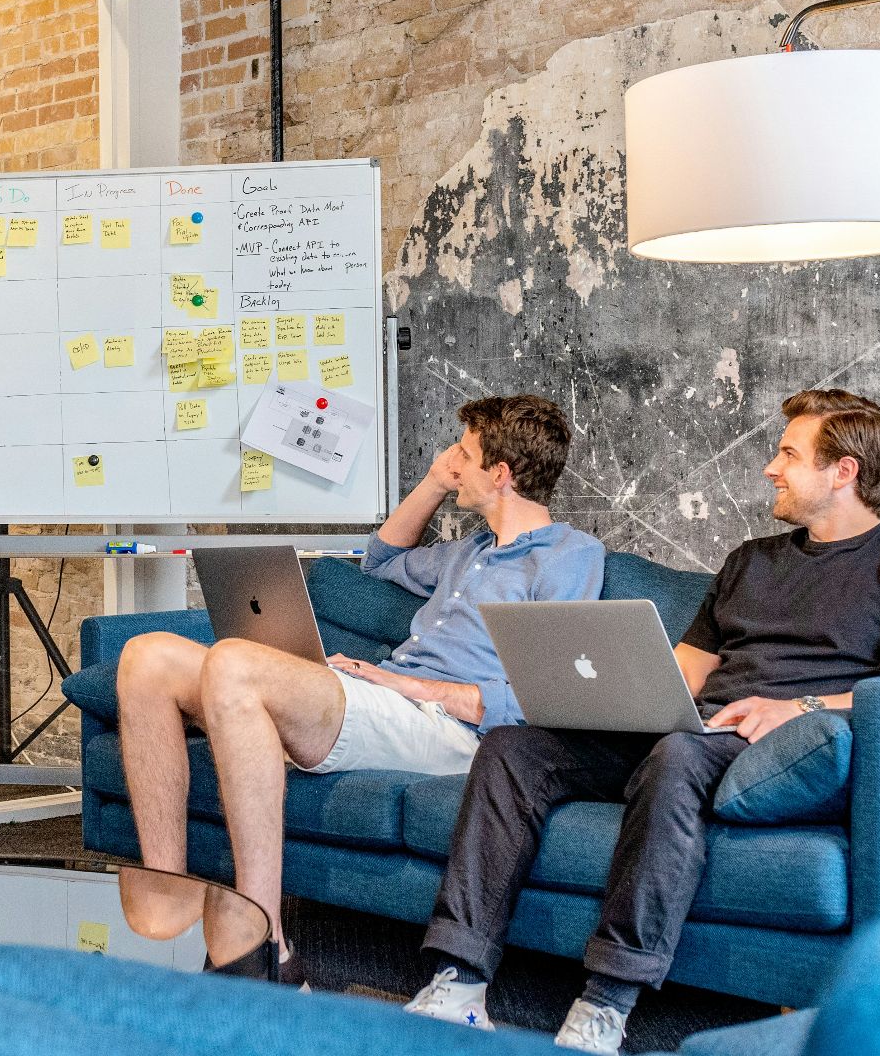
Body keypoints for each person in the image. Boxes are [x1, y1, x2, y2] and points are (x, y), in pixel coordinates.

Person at [407, 389, 880, 1054]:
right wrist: (602, 696)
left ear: (843, 471)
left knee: (677, 753)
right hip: (697, 733)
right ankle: (460, 980)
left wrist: (799, 707)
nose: (771, 466)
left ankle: (606, 1002)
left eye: (789, 453)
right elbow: (678, 676)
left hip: (786, 747)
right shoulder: (751, 561)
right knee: (514, 747)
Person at [115, 395, 606, 984]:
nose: (451, 460)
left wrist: (405, 683)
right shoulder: (470, 553)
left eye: (464, 454)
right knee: (147, 658)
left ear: (500, 475)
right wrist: (431, 484)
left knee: (235, 664)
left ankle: (266, 940)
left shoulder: (568, 557)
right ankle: (169, 886)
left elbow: (539, 698)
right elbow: (381, 559)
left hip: (451, 731)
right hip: (387, 703)